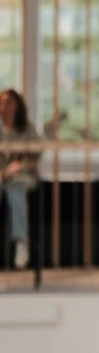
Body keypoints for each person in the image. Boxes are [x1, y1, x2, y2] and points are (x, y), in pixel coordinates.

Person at [0, 88, 42, 269]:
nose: (4, 106)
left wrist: (20, 166)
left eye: (8, 102)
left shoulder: (27, 128)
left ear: (17, 105)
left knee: (16, 193)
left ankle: (21, 242)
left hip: (22, 176)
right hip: (2, 176)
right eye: (2, 102)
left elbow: (36, 154)